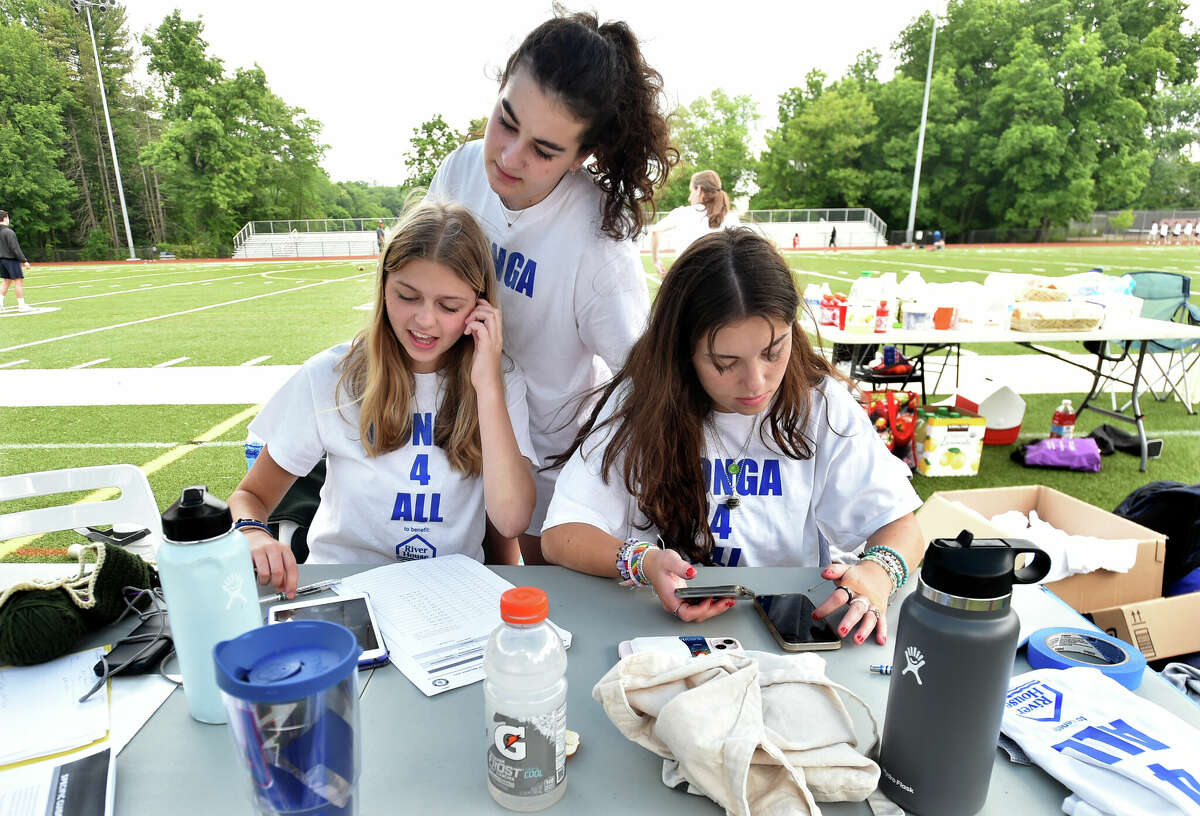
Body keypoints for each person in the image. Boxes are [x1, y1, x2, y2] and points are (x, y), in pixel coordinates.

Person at [541, 229, 925, 644]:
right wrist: (642, 561)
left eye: (774, 350)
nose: (757, 382)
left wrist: (879, 572)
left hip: (789, 632)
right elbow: (562, 534)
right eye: (726, 363)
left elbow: (901, 526)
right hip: (658, 634)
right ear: (683, 354)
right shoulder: (640, 402)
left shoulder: (820, 405)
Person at [428, 6, 674, 564]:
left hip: (542, 459)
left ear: (583, 156)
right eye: (506, 121)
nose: (509, 157)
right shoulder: (461, 171)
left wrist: (606, 476)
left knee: (539, 602)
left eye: (543, 150)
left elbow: (641, 374)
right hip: (449, 433)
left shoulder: (598, 241)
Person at [229, 201, 537, 597]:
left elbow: (511, 521)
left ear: (480, 306)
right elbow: (250, 496)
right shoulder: (331, 376)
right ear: (383, 287)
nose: (425, 320)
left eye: (449, 306)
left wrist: (488, 387)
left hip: (448, 597)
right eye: (407, 296)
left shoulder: (502, 380)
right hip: (344, 589)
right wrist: (253, 533)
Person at [647, 169, 739, 279]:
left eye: (691, 191)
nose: (689, 198)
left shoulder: (683, 214)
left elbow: (654, 231)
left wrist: (656, 261)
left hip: (688, 283)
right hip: (723, 284)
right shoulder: (732, 218)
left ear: (699, 190)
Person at [0, 210, 32, 312]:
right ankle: (21, 305)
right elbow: (15, 248)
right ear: (5, 218)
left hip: (1, 260)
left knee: (6, 282)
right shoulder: (9, 232)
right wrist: (24, 261)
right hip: (11, 260)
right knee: (18, 282)